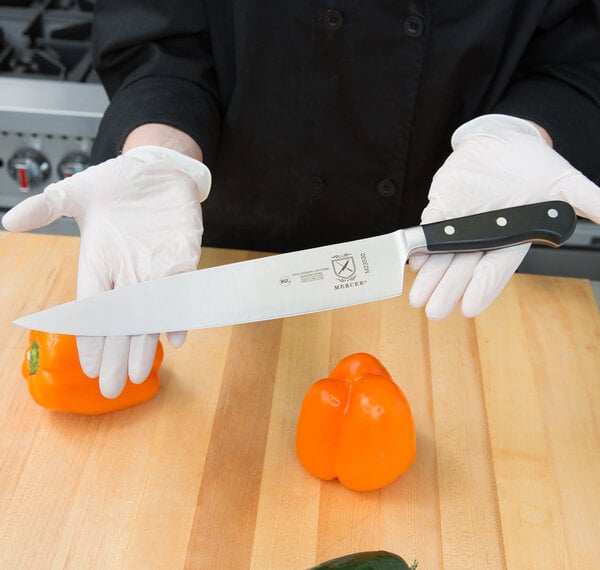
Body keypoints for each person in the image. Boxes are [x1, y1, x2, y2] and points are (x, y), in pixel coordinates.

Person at [3, 0, 600, 399]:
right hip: (213, 231)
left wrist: (525, 129)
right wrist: (158, 149)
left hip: (458, 237)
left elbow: (579, 58)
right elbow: (160, 41)